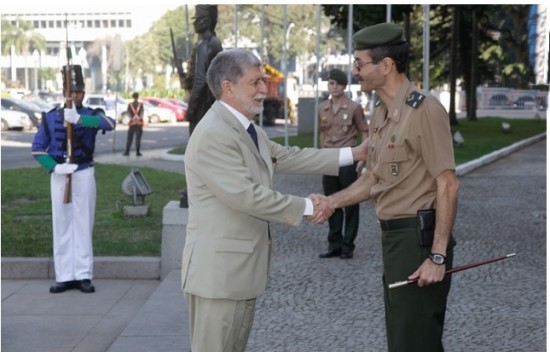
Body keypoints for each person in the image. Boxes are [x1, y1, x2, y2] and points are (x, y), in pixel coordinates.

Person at [181, 48, 368, 352]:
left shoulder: (244, 127)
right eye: (255, 82)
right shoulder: (214, 134)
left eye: (263, 81)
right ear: (228, 87)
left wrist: (355, 153)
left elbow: (288, 156)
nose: (263, 90)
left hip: (238, 275)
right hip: (218, 279)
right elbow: (247, 196)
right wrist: (310, 207)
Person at [324, 23, 459, 352]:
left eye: (359, 63)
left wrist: (437, 257)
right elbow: (373, 178)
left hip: (418, 240)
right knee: (405, 339)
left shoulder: (424, 109)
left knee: (414, 341)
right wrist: (330, 202)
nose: (354, 71)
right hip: (395, 240)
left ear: (385, 65)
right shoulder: (382, 115)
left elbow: (448, 184)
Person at [31, 64, 116, 294]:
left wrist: (79, 120)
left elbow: (110, 123)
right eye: (72, 91)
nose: (75, 95)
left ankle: (83, 274)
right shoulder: (50, 116)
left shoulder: (89, 113)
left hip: (83, 173)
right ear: (64, 93)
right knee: (61, 224)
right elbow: (37, 148)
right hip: (60, 176)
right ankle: (65, 275)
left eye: (79, 91)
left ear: (84, 93)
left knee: (83, 223)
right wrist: (55, 168)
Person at [318, 68, 369, 259]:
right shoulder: (321, 107)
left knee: (351, 202)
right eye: (331, 83)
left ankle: (348, 245)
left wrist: (363, 159)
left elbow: (365, 131)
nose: (334, 87)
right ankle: (335, 244)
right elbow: (323, 134)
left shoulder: (354, 107)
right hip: (329, 159)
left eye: (338, 83)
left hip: (348, 158)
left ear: (344, 86)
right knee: (331, 201)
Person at [184, 4, 223, 137]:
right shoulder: (216, 42)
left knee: (198, 150)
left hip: (202, 107)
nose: (194, 22)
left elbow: (201, 80)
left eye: (197, 18)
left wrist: (191, 108)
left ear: (206, 21)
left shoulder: (204, 45)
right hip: (213, 106)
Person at [123, 92, 144, 156]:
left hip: (132, 124)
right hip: (139, 124)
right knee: (138, 138)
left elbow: (128, 113)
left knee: (130, 138)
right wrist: (138, 119)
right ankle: (137, 152)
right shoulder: (141, 105)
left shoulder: (130, 105)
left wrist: (132, 119)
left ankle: (127, 152)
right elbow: (142, 113)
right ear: (138, 97)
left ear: (133, 97)